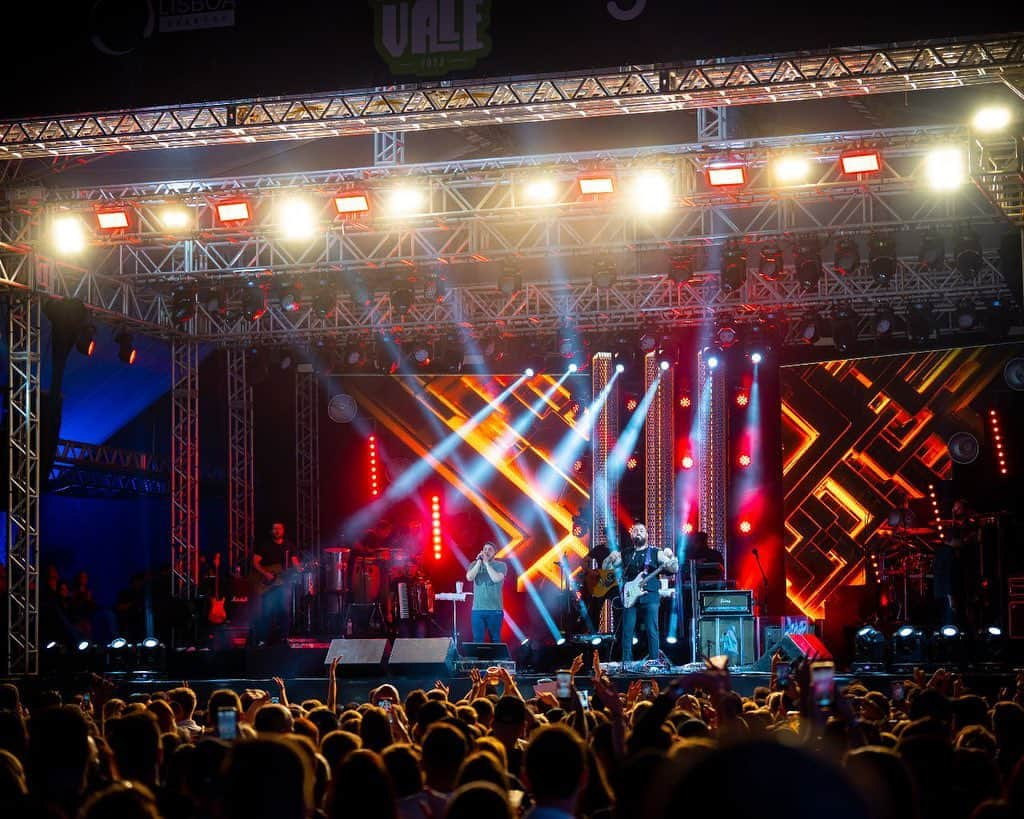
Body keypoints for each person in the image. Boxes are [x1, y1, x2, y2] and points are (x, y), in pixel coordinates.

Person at [603, 523, 677, 664]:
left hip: (650, 596)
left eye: (642, 530)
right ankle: (627, 663)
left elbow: (673, 569)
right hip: (630, 596)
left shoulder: (656, 552)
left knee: (652, 630)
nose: (638, 532)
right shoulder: (626, 553)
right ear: (631, 535)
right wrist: (609, 558)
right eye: (636, 530)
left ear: (647, 535)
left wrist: (672, 558)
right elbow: (606, 568)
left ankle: (654, 663)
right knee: (627, 631)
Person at [252, 521, 302, 646]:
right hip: (267, 584)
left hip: (283, 583)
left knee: (284, 610)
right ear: (271, 531)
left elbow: (295, 562)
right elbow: (255, 562)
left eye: (279, 528)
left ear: (283, 530)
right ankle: (263, 639)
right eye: (274, 528)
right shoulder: (265, 546)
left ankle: (283, 638)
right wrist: (266, 573)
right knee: (267, 611)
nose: (277, 530)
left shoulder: (289, 546)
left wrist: (301, 568)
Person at [466, 542, 507, 644]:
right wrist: (479, 563)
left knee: (495, 639)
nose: (486, 551)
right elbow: (469, 577)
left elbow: (496, 578)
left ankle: (496, 660)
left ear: (494, 553)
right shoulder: (474, 564)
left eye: (490, 549)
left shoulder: (501, 565)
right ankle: (478, 660)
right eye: (485, 549)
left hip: (495, 609)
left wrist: (487, 564)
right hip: (477, 609)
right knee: (477, 640)